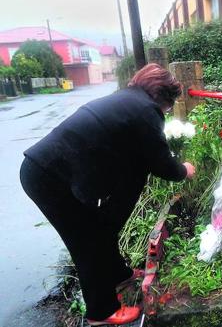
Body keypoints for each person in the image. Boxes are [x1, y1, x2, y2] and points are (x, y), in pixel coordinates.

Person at [19, 63, 196, 325]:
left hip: (48, 170)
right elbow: (160, 163)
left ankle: (117, 273)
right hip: (49, 177)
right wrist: (183, 170)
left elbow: (133, 155)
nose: (167, 112)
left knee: (98, 228)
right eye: (169, 106)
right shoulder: (146, 111)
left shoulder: (128, 101)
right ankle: (101, 311)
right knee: (86, 241)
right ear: (164, 97)